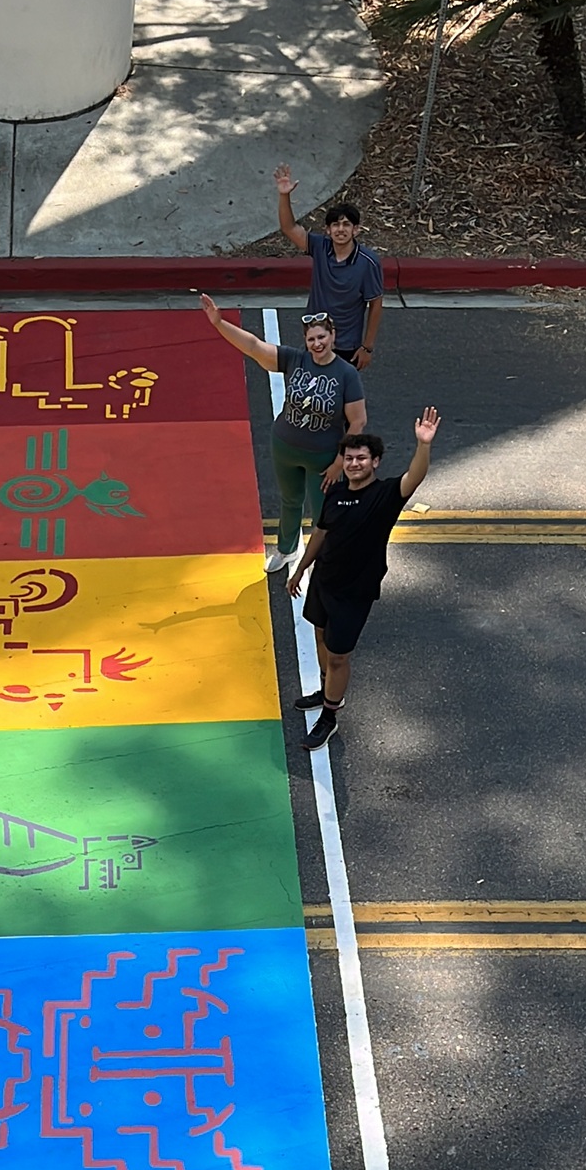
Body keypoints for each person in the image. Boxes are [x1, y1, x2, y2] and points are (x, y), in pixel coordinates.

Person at [287, 410, 441, 751]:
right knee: (321, 637)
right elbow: (321, 533)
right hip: (323, 581)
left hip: (354, 592)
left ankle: (330, 716)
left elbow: (414, 477)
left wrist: (423, 445)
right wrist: (301, 569)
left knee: (339, 656)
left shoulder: (385, 495)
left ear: (375, 462)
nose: (354, 463)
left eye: (361, 458)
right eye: (349, 458)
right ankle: (327, 690)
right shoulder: (335, 493)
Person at [199, 297, 366, 573]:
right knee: (289, 501)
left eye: (322, 337)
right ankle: (287, 550)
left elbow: (358, 421)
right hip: (285, 448)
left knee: (323, 510)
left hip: (323, 458)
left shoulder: (346, 374)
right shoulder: (295, 359)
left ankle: (324, 556)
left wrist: (339, 463)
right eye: (311, 339)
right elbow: (253, 346)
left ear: (333, 336)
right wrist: (219, 323)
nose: (317, 344)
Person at [274, 165, 383, 371]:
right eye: (335, 225)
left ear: (356, 230)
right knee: (311, 389)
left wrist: (367, 347)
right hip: (315, 338)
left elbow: (376, 304)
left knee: (341, 391)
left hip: (346, 345)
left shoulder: (368, 262)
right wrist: (284, 195)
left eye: (346, 224)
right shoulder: (320, 247)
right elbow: (289, 228)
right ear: (328, 230)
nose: (340, 229)